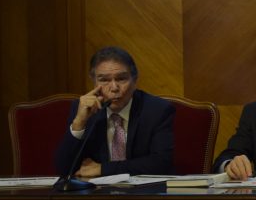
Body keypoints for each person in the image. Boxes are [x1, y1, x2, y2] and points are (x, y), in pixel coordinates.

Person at [55, 47, 175, 177]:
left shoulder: (156, 109)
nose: (114, 88)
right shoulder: (83, 109)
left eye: (121, 79)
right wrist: (79, 123)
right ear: (94, 83)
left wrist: (103, 169)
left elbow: (161, 163)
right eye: (104, 80)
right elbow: (64, 169)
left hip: (142, 194)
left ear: (135, 81)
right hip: (96, 194)